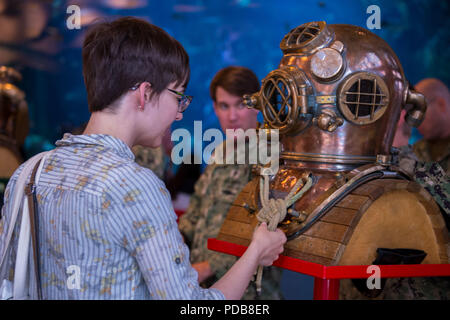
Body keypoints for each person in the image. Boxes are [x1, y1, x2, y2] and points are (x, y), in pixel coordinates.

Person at [0, 17, 286, 300]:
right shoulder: (136, 186)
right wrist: (256, 253)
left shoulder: (27, 174)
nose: (178, 113)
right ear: (145, 93)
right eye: (178, 96)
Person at [178, 66, 284, 300]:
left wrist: (207, 266)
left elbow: (271, 231)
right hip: (203, 288)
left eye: (241, 104)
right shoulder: (221, 151)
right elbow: (195, 214)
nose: (232, 116)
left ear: (258, 105)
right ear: (215, 108)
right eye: (224, 106)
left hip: (250, 294)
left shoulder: (270, 154)